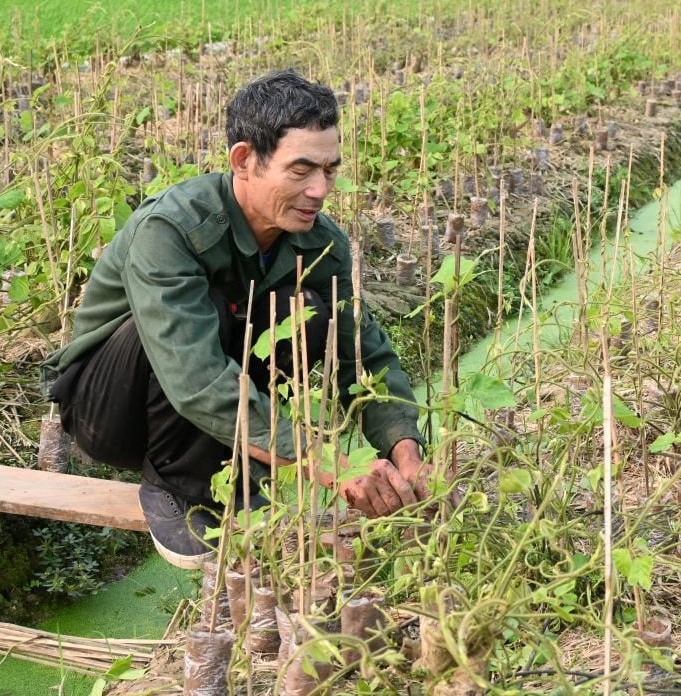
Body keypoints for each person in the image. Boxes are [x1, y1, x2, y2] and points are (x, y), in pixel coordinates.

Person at [42, 71, 430, 568]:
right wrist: (333, 465)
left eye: (330, 170)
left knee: (313, 308)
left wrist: (406, 453)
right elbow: (196, 377)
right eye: (301, 170)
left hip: (204, 408)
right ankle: (177, 487)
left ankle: (239, 474)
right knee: (212, 308)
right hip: (111, 410)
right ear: (244, 161)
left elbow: (364, 353)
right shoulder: (172, 230)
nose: (319, 189)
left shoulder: (321, 243)